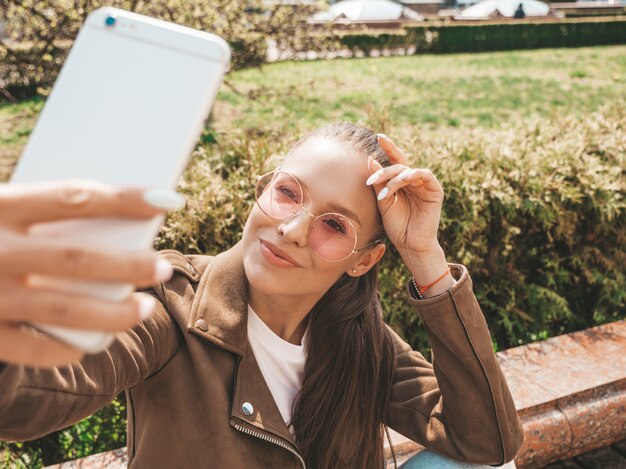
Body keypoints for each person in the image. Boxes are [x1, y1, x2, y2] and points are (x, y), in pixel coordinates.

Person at [0, 122, 523, 468]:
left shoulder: (359, 337)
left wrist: (426, 258)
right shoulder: (169, 304)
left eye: (334, 225)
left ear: (363, 260)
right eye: (288, 192)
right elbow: (24, 403)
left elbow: (488, 441)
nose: (292, 229)